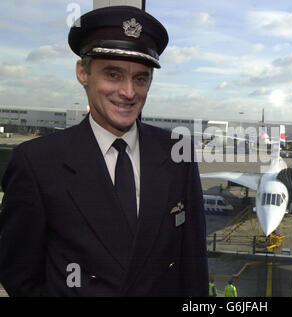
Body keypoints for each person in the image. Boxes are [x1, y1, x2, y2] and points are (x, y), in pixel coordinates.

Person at [0, 6, 208, 296]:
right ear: (83, 73)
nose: (128, 92)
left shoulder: (177, 154)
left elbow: (193, 267)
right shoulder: (37, 163)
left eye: (140, 78)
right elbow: (19, 275)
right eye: (113, 74)